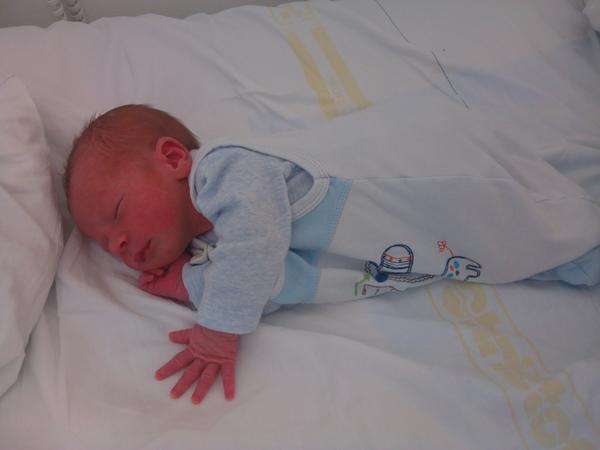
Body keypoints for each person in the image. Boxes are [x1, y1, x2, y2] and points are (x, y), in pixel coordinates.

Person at [65, 103, 600, 405]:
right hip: (431, 240)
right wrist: (188, 281)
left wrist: (217, 329)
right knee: (530, 249)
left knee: (534, 214)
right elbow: (272, 284)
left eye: (117, 213)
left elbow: (257, 246)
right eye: (105, 243)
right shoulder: (217, 246)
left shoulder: (226, 169)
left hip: (440, 181)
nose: (118, 244)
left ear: (173, 158)